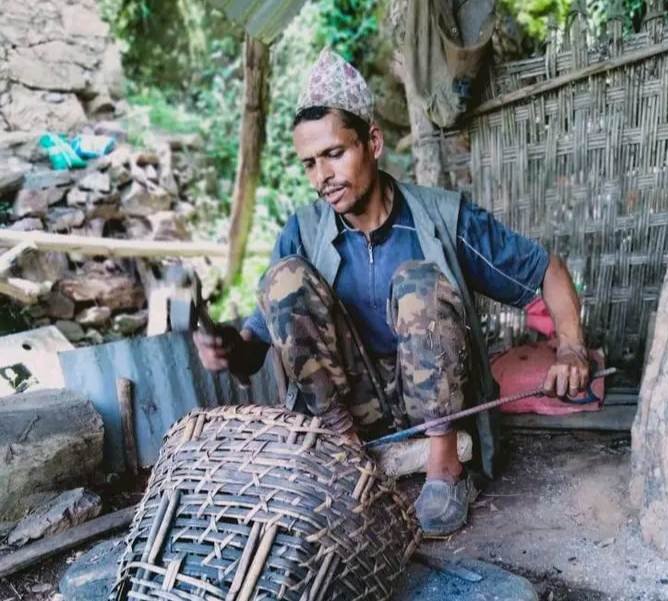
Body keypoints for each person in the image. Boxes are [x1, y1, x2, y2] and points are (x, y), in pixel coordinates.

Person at [194, 48, 589, 536]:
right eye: (310, 164)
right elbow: (255, 348)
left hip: (438, 403)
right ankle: (346, 457)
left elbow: (547, 270)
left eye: (335, 154)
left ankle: (445, 467)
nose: (323, 178)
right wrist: (227, 348)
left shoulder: (445, 218)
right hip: (350, 410)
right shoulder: (303, 231)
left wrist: (571, 349)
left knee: (418, 282)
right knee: (283, 278)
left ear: (373, 142)